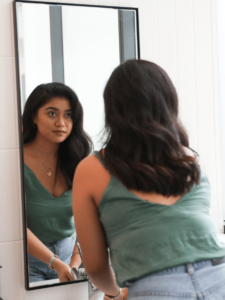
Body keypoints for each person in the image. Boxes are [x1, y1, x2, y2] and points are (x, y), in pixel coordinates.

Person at [72, 60, 225, 300]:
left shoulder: (91, 169)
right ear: (168, 103)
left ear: (113, 109)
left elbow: (96, 268)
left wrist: (114, 294)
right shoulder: (191, 160)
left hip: (155, 289)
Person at [23, 82, 92, 283]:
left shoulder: (79, 159)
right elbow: (12, 225)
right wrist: (53, 261)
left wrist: (75, 260)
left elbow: (89, 216)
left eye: (68, 115)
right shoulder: (14, 160)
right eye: (52, 114)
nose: (61, 122)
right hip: (28, 261)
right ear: (34, 117)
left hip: (70, 258)